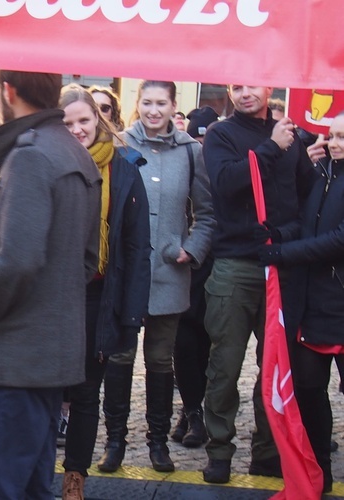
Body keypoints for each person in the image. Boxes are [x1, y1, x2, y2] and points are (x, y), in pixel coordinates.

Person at [0, 70, 101, 499]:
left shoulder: (32, 155)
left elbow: (17, 261)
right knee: (32, 486)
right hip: (48, 353)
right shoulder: (76, 154)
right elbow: (87, 261)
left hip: (17, 355)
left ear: (8, 91)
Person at [200, 85, 317, 484]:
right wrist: (270, 148)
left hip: (280, 264)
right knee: (225, 366)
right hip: (236, 265)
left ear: (268, 87)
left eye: (252, 84)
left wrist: (292, 237)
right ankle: (219, 450)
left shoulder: (290, 133)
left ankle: (268, 452)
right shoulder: (221, 134)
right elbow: (227, 182)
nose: (245, 93)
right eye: (236, 86)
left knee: (277, 367)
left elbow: (305, 195)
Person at [102, 80, 214, 474]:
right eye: (147, 102)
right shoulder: (119, 144)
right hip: (124, 272)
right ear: (138, 104)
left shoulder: (191, 151)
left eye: (161, 103)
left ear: (173, 106)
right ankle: (115, 440)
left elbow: (206, 213)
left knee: (160, 361)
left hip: (169, 270)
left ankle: (158, 443)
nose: (153, 110)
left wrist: (192, 247)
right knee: (119, 356)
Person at [57, 84, 151, 499]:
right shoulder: (46, 164)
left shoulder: (124, 170)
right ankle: (37, 466)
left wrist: (130, 317)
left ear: (99, 120)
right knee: (45, 389)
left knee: (85, 392)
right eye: (68, 123)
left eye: (84, 120)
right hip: (52, 297)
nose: (78, 129)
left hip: (98, 295)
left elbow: (135, 248)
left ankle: (75, 476)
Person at [258, 111, 344, 494]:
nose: (335, 143)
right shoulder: (323, 173)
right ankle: (319, 472)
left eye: (343, 137)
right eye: (333, 136)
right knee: (309, 390)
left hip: (339, 301)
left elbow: (338, 240)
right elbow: (309, 225)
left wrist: (283, 254)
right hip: (313, 303)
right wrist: (275, 236)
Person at [170, 106, 221, 450]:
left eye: (208, 136)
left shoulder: (224, 162)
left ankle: (199, 411)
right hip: (180, 262)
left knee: (208, 344)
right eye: (197, 135)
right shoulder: (186, 160)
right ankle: (191, 412)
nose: (203, 143)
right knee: (183, 344)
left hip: (215, 262)